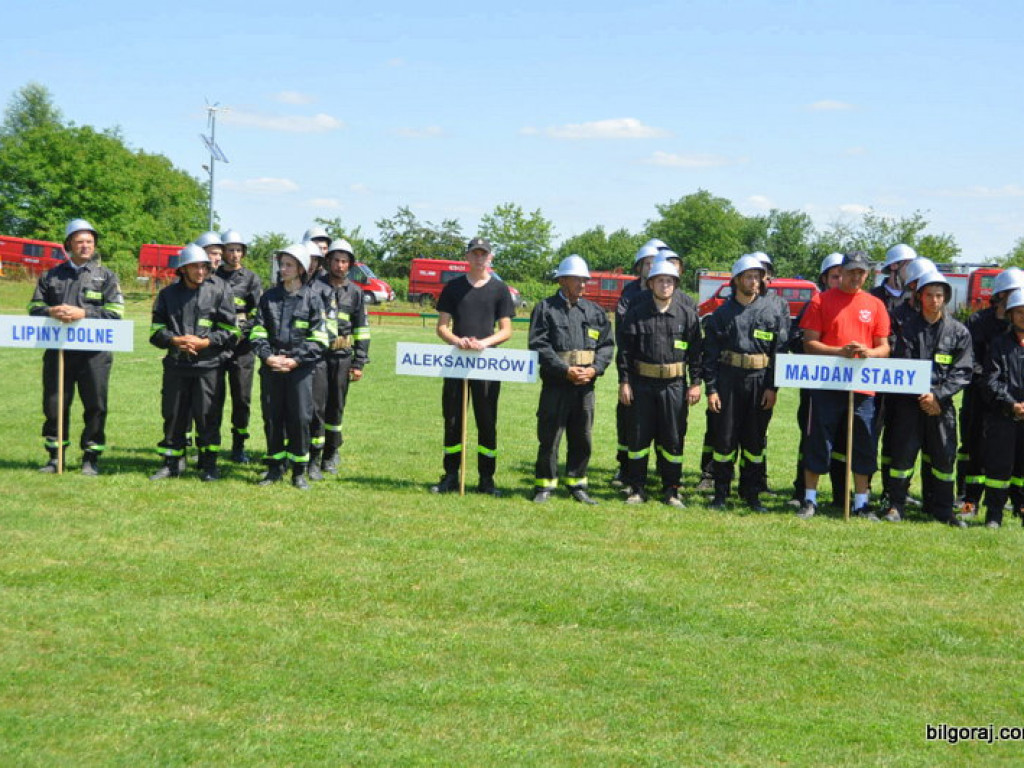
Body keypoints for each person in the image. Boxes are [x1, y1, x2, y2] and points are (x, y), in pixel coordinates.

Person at [796, 251, 891, 520]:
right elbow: (809, 343)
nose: (856, 277)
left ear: (867, 274)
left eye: (861, 272)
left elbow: (884, 347)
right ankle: (810, 500)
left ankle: (861, 502)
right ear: (842, 271)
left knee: (864, 443)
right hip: (826, 384)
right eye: (851, 272)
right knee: (818, 441)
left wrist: (868, 353)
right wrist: (840, 352)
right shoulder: (820, 301)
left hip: (862, 388)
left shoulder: (875, 305)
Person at [28, 218, 124, 475]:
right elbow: (33, 309)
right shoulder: (51, 275)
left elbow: (115, 313)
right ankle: (55, 456)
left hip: (95, 355)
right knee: (55, 404)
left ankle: (91, 457)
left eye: (89, 242)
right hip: (59, 352)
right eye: (79, 241)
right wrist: (51, 310)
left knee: (95, 405)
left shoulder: (107, 277)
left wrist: (84, 313)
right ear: (68, 244)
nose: (85, 246)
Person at [882, 272, 972, 527]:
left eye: (939, 295)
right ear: (920, 297)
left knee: (944, 459)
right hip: (909, 405)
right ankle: (895, 506)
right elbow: (903, 364)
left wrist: (938, 397)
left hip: (940, 408)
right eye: (929, 295)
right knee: (902, 458)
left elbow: (962, 371)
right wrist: (923, 395)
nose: (934, 300)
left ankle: (943, 510)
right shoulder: (906, 329)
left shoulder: (959, 332)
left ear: (946, 298)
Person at [430, 237, 515, 496]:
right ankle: (451, 475)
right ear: (467, 257)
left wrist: (483, 344)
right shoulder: (453, 287)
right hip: (457, 361)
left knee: (487, 421)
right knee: (453, 420)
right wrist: (459, 341)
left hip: (487, 364)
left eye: (484, 254)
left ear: (491, 257)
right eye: (474, 253)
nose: (479, 258)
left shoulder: (500, 289)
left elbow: (506, 330)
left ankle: (487, 479)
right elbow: (442, 327)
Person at [703, 254, 788, 511]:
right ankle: (720, 493)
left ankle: (751, 494)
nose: (754, 281)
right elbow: (710, 356)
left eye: (758, 276)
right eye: (749, 276)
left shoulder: (772, 311)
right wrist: (712, 389)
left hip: (759, 383)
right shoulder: (721, 314)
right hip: (729, 381)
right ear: (737, 280)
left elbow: (779, 353)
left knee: (754, 441)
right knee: (724, 440)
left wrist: (773, 388)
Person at [148, 245, 240, 481]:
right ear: (183, 269)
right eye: (195, 267)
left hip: (208, 367)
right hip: (176, 367)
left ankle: (209, 465)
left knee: (208, 416)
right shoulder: (168, 295)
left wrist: (205, 342)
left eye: (204, 267)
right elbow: (156, 331)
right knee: (174, 415)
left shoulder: (220, 290)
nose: (200, 271)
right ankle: (171, 463)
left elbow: (231, 331)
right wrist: (175, 340)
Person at [528, 254, 614, 504]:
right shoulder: (545, 309)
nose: (583, 284)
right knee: (550, 437)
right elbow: (539, 345)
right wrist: (564, 370)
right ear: (562, 280)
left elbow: (607, 345)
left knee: (582, 437)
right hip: (556, 385)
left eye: (585, 280)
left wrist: (595, 369)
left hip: (585, 387)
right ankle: (545, 485)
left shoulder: (595, 312)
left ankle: (577, 483)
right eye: (578, 279)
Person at [617, 259, 703, 507]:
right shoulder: (636, 313)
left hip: (675, 386)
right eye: (660, 280)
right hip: (642, 384)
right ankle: (637, 488)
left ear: (675, 284)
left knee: (673, 438)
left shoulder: (687, 315)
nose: (665, 285)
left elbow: (696, 352)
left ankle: (672, 489)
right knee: (639, 438)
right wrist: (624, 382)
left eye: (670, 281)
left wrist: (695, 382)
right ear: (651, 283)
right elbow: (625, 352)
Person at [250, 244, 329, 489]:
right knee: (273, 418)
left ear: (301, 269)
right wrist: (267, 357)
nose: (282, 269)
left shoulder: (313, 298)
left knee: (300, 418)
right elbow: (257, 331)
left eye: (288, 265)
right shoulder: (268, 297)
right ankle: (274, 468)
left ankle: (299, 472)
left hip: (301, 371)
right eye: (281, 264)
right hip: (272, 368)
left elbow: (320, 338)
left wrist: (296, 360)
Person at [956, 267, 1024, 518]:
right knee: (974, 447)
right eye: (1011, 293)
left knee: (1014, 452)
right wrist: (986, 384)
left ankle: (1016, 502)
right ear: (1000, 295)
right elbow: (969, 358)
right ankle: (969, 499)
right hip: (979, 396)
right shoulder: (978, 322)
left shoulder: (1018, 324)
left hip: (1009, 402)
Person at [787, 253, 845, 507]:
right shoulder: (815, 305)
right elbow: (795, 339)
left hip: (846, 387)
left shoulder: (860, 305)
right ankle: (803, 493)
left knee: (844, 441)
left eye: (843, 275)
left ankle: (840, 496)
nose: (840, 280)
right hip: (816, 388)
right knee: (811, 439)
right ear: (824, 279)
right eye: (835, 276)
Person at [315, 239, 370, 475]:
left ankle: (331, 453)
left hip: (343, 357)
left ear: (350, 265)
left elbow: (362, 330)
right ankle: (312, 455)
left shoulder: (356, 293)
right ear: (328, 262)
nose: (339, 265)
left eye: (344, 261)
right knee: (316, 406)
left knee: (336, 407)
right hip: (317, 357)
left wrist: (359, 362)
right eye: (336, 260)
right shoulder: (314, 288)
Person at [612, 240, 664, 487]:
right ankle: (625, 467)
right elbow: (624, 328)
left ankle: (661, 471)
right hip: (632, 366)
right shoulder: (629, 294)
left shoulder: (668, 292)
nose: (651, 266)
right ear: (639, 266)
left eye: (655, 262)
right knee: (628, 418)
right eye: (647, 263)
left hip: (661, 370)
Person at [214, 229, 263, 463]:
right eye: (230, 249)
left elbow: (257, 313)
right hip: (215, 346)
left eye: (238, 250)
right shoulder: (212, 277)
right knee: (212, 397)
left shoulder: (251, 279)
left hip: (242, 348)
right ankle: (209, 446)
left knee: (241, 398)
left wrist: (241, 332)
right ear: (222, 251)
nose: (235, 254)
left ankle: (238, 446)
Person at [979, 287, 1024, 528]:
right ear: (1010, 314)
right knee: (999, 468)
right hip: (1003, 417)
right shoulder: (999, 344)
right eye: (1018, 312)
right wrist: (1012, 404)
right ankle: (994, 514)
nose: (1023, 316)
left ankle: (1021, 507)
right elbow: (991, 380)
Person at [303, 240, 338, 481]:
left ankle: (314, 462)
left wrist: (302, 351)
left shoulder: (326, 292)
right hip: (286, 363)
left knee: (316, 413)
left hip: (316, 362)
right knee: (285, 414)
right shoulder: (282, 288)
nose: (310, 263)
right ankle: (285, 459)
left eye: (315, 259)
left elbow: (331, 330)